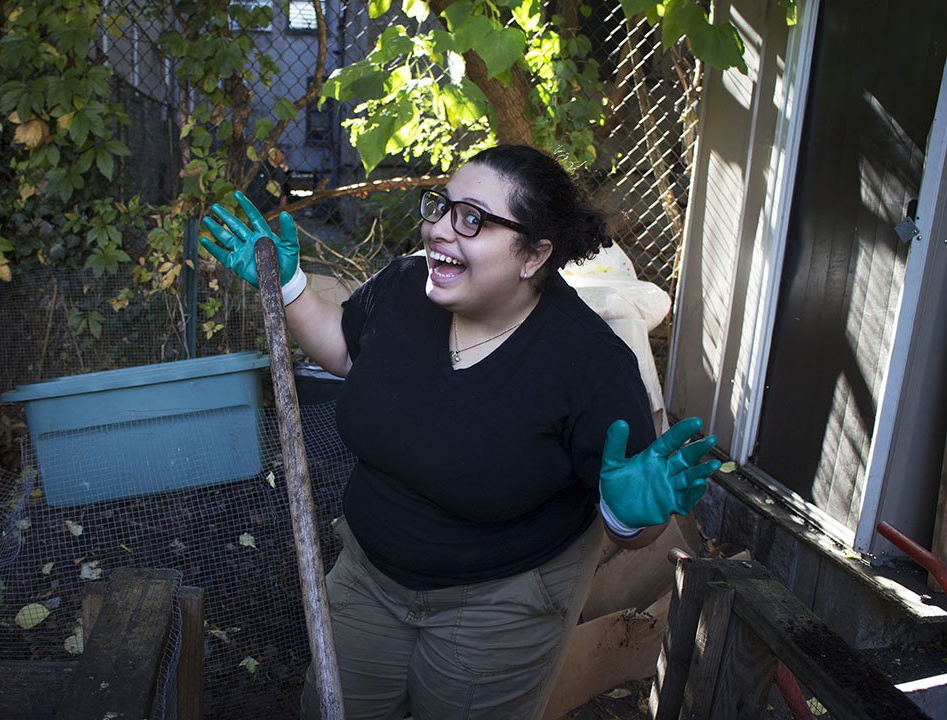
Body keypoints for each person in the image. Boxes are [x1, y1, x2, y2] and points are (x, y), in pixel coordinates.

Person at [201, 144, 720, 720]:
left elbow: (633, 534)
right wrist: (291, 285)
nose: (439, 230)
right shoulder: (404, 289)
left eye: (471, 219)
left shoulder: (588, 366)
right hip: (369, 574)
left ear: (533, 255)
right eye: (440, 207)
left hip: (501, 602)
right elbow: (348, 351)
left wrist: (628, 515)